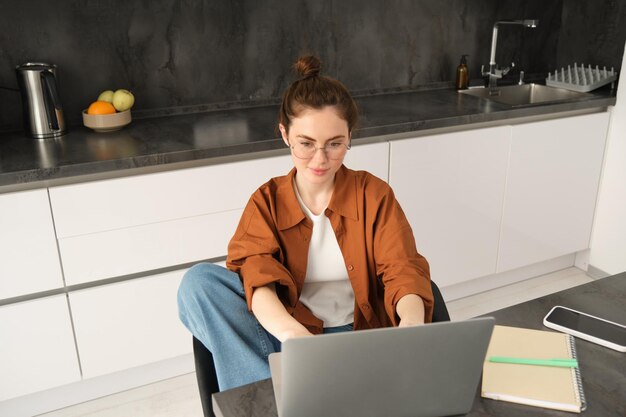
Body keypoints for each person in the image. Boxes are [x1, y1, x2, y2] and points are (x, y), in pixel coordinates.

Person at [177, 54, 433, 393]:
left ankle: (290, 395)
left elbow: (404, 269)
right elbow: (257, 276)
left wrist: (412, 324)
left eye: (335, 144)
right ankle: (272, 398)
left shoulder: (374, 194)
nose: (320, 159)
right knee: (199, 283)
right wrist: (294, 336)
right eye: (306, 144)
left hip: (362, 339)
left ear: (350, 135)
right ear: (285, 134)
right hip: (291, 338)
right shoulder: (266, 201)